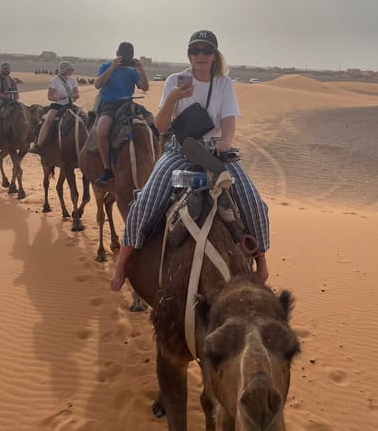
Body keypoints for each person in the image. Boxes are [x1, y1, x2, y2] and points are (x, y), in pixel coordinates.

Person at [110, 29, 269, 291]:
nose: (200, 55)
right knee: (145, 201)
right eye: (195, 50)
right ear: (189, 54)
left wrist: (225, 141)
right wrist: (174, 97)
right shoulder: (175, 80)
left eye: (206, 50)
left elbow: (229, 121)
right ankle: (123, 263)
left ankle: (261, 260)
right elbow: (160, 126)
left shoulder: (223, 83)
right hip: (181, 150)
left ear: (215, 55)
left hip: (217, 152)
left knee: (255, 203)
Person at [94, 41, 153, 185]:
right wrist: (113, 67)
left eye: (128, 56)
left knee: (154, 123)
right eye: (123, 55)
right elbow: (97, 85)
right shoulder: (105, 66)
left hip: (128, 104)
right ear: (117, 54)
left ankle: (156, 160)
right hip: (110, 105)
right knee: (101, 131)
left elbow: (144, 87)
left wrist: (141, 69)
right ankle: (107, 169)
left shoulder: (132, 71)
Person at [29, 61, 79, 155]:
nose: (72, 70)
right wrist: (58, 97)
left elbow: (77, 94)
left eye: (72, 69)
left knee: (82, 119)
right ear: (65, 70)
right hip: (57, 105)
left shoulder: (73, 80)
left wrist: (73, 95)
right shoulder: (55, 80)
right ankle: (39, 145)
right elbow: (50, 96)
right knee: (48, 122)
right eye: (70, 69)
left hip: (70, 105)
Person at [0, 62, 19, 138]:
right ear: (1, 69)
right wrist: (6, 97)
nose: (6, 70)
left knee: (22, 110)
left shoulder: (12, 80)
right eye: (4, 68)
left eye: (8, 69)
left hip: (11, 100)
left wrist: (16, 99)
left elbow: (16, 92)